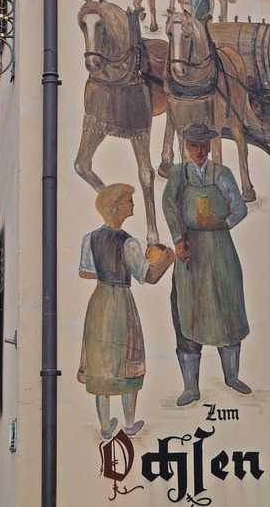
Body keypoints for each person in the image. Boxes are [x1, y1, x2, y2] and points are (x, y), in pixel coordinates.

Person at [162, 123, 251, 405]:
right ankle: (191, 387)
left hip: (221, 250)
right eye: (194, 146)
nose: (199, 151)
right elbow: (169, 206)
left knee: (228, 306)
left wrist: (222, 222)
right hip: (192, 251)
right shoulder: (179, 174)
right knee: (189, 311)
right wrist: (178, 240)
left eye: (204, 146)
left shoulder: (221, 173)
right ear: (186, 147)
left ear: (210, 147)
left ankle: (232, 375)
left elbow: (240, 207)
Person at [77, 183, 174, 438]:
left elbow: (84, 271)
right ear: (116, 206)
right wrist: (168, 259)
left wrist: (105, 269)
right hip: (120, 301)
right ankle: (129, 423)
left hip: (99, 302)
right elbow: (149, 277)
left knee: (101, 361)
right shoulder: (128, 242)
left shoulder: (91, 238)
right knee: (128, 358)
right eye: (129, 201)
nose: (132, 205)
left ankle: (105, 426)